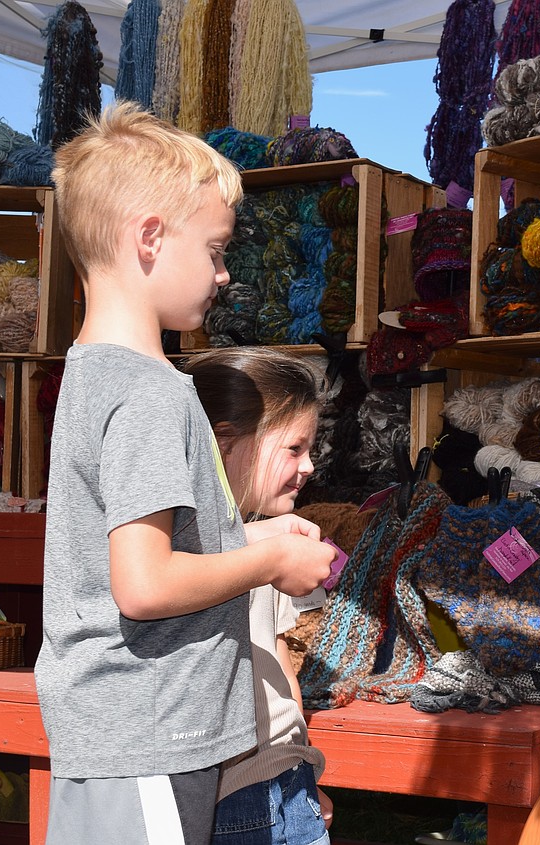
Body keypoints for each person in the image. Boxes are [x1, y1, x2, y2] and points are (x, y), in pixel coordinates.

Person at [36, 102, 335, 845]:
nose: (226, 274)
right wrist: (268, 559)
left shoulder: (95, 375)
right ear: (148, 239)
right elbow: (143, 584)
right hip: (150, 733)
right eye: (215, 249)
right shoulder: (150, 390)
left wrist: (256, 531)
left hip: (132, 733)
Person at [181, 347, 334, 844]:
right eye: (294, 449)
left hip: (285, 778)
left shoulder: (268, 538)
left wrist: (303, 765)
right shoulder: (191, 553)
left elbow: (280, 660)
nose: (309, 465)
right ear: (226, 444)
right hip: (236, 792)